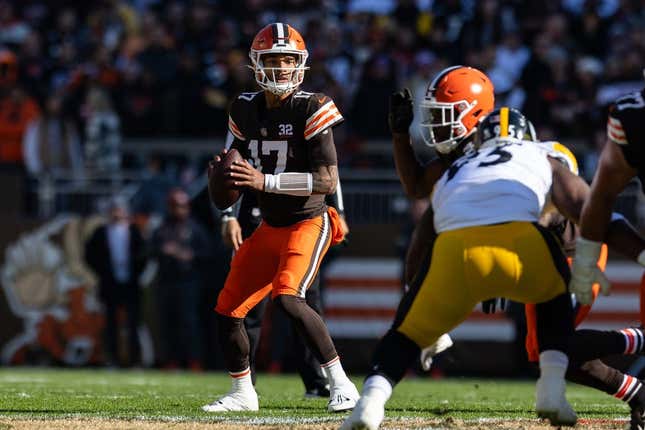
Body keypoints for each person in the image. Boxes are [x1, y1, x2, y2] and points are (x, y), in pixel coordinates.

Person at [343, 65, 591, 428]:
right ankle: (551, 388)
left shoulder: (458, 170)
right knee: (554, 310)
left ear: (475, 115)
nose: (436, 126)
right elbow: (584, 204)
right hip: (527, 247)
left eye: (445, 116)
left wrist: (416, 294)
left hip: (469, 248)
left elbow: (423, 235)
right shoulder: (540, 154)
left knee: (406, 333)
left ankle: (371, 400)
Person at [202, 23, 358, 413]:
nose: (282, 67)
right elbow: (232, 164)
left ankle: (342, 384)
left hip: (308, 221)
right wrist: (224, 197)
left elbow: (326, 179)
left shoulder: (312, 105)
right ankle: (243, 393)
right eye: (273, 59)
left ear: (301, 64)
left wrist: (264, 180)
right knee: (228, 310)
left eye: (289, 60)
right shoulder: (244, 107)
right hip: (269, 225)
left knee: (290, 298)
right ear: (256, 63)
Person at [220, 182, 348, 397]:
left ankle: (321, 380)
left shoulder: (308, 147)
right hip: (258, 219)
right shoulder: (246, 147)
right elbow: (231, 169)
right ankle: (245, 385)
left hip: (302, 220)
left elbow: (328, 175)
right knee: (241, 307)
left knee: (299, 301)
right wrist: (228, 214)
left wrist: (339, 210)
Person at [570, 79, 645, 306]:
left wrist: (586, 259)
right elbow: (601, 197)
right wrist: (586, 258)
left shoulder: (634, 114)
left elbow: (601, 196)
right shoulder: (634, 117)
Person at [151, 188, 212, 371]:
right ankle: (170, 360)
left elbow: (207, 254)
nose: (180, 209)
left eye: (183, 206)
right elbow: (150, 250)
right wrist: (164, 251)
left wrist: (189, 255)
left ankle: (194, 361)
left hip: (188, 283)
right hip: (166, 282)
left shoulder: (195, 228)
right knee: (167, 322)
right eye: (177, 206)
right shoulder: (162, 228)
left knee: (189, 323)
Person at [85, 197, 146, 367]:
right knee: (110, 324)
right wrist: (102, 271)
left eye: (119, 209)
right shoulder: (101, 232)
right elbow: (89, 255)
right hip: (109, 284)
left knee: (133, 323)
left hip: (131, 284)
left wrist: (136, 271)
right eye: (113, 209)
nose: (116, 213)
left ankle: (134, 361)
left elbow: (144, 254)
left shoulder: (134, 231)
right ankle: (112, 359)